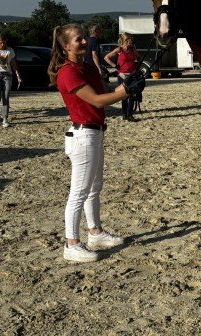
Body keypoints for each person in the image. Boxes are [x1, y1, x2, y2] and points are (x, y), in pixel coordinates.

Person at [48, 23, 145, 262]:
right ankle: (71, 244)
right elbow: (98, 100)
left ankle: (96, 233)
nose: (84, 42)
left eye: (83, 38)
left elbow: (106, 89)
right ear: (65, 46)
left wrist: (126, 83)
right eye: (78, 40)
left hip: (96, 132)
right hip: (83, 137)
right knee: (79, 192)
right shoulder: (68, 72)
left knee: (94, 188)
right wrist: (125, 93)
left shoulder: (87, 67)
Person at [104, 33, 140, 121]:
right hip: (122, 75)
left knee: (131, 95)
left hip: (132, 75)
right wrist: (115, 66)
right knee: (123, 96)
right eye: (129, 40)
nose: (131, 41)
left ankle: (130, 114)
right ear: (125, 40)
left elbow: (138, 58)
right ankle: (124, 114)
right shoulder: (119, 49)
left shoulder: (132, 49)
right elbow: (106, 57)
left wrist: (136, 58)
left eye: (131, 40)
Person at [0, 34, 23, 128]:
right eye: (0, 42)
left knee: (6, 97)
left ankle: (5, 118)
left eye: (4, 42)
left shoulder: (10, 50)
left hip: (7, 76)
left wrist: (18, 76)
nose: (2, 44)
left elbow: (14, 64)